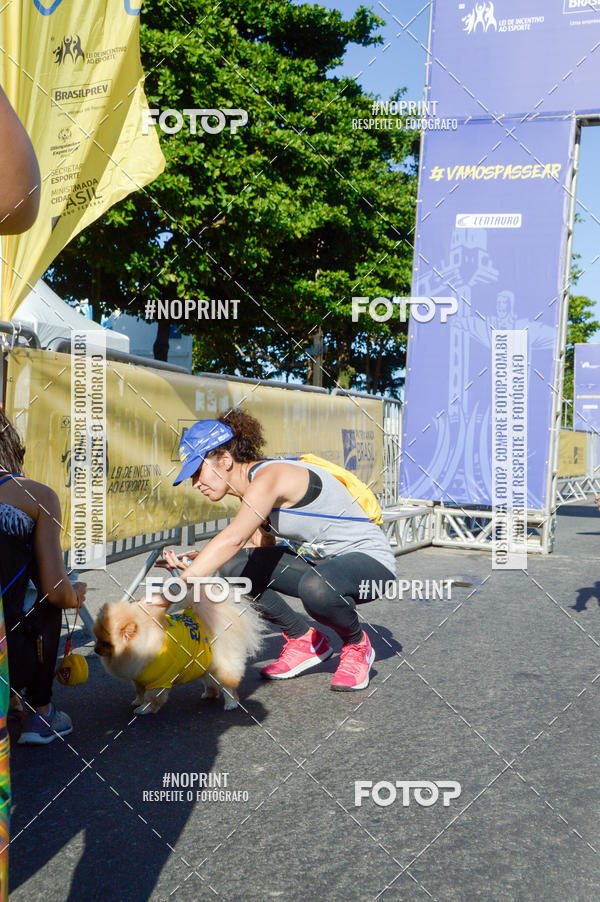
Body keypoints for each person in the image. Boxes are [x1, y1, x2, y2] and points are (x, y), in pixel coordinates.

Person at [159, 409, 397, 692]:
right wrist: (202, 559)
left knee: (317, 588)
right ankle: (304, 640)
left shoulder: (271, 477)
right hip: (325, 570)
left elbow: (233, 538)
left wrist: (167, 596)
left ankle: (357, 644)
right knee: (235, 568)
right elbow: (252, 551)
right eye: (191, 478)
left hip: (372, 566)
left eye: (198, 472)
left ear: (224, 460)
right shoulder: (251, 490)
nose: (196, 483)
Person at [0, 410, 86, 743]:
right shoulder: (35, 496)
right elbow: (55, 591)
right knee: (45, 597)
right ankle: (40, 712)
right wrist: (75, 593)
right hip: (10, 659)